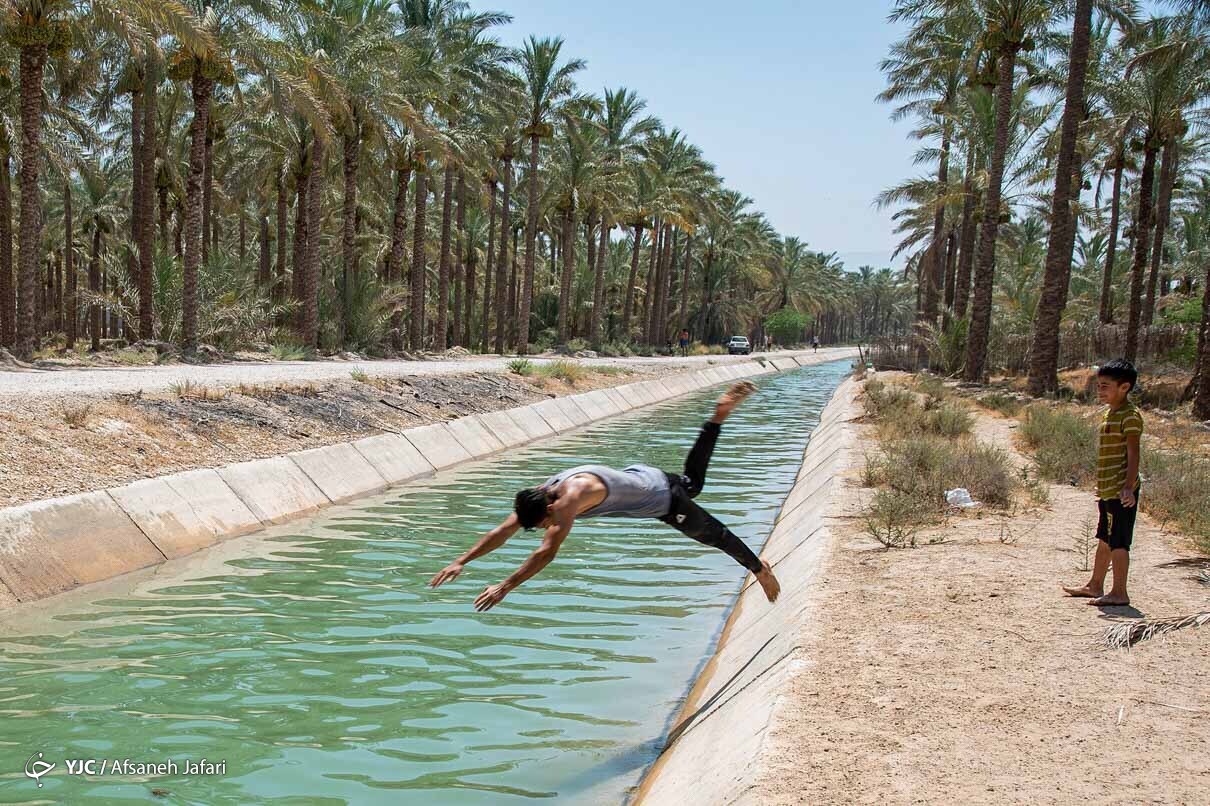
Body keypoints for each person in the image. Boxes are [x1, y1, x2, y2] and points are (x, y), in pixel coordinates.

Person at [429, 382, 782, 611]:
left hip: (662, 498)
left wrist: (504, 587)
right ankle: (716, 419)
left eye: (547, 522)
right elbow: (502, 531)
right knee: (692, 483)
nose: (549, 526)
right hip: (646, 477)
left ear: (551, 508)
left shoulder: (568, 499)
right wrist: (464, 560)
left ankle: (758, 568)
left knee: (710, 534)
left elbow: (546, 553)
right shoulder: (542, 493)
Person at [1063, 359, 1143, 607]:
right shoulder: (1111, 413)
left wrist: (1128, 486)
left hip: (1122, 491)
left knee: (1119, 542)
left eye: (1105, 386)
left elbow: (1133, 453)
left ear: (1124, 387)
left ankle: (1119, 592)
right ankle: (1095, 585)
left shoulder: (1130, 416)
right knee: (1105, 539)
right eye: (1098, 385)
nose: (1100, 391)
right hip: (1109, 489)